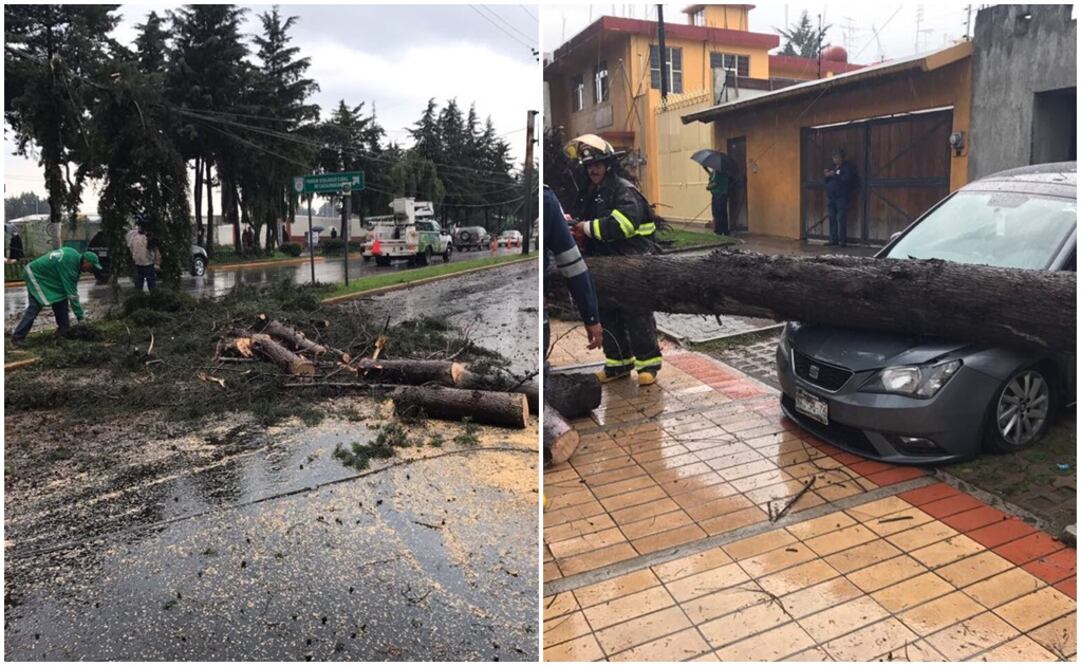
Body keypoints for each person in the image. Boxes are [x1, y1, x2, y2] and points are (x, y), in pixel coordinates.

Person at [564, 133, 663, 387]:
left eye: (596, 164)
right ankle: (617, 364)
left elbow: (623, 226)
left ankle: (648, 364)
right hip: (606, 265)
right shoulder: (594, 193)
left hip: (634, 263)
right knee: (608, 313)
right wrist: (570, 223)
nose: (592, 170)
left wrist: (584, 228)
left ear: (608, 164)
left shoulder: (623, 190)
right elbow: (583, 220)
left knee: (636, 313)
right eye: (588, 166)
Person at [543, 185, 602, 359]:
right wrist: (591, 316)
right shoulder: (547, 198)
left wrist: (590, 316)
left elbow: (572, 265)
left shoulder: (546, 199)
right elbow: (573, 265)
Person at [11, 248, 101, 346]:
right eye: (91, 267)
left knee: (61, 297)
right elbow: (72, 295)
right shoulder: (70, 267)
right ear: (85, 261)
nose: (91, 271)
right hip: (35, 274)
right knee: (35, 306)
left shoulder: (73, 254)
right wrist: (81, 318)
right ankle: (18, 337)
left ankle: (64, 331)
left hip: (48, 277)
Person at [824, 148, 858, 247]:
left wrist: (835, 175)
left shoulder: (847, 167)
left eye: (837, 157)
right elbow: (826, 181)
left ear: (842, 158)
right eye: (833, 158)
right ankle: (833, 239)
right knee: (832, 218)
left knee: (841, 218)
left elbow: (846, 179)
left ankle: (843, 241)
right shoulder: (833, 167)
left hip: (841, 196)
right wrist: (827, 176)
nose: (835, 160)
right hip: (831, 196)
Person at [129, 219, 157, 292]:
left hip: (142, 263)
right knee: (148, 282)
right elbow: (153, 250)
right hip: (144, 263)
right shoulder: (144, 238)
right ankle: (151, 295)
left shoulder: (136, 237)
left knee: (142, 282)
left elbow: (131, 248)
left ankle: (142, 296)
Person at [706, 167, 730, 236]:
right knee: (723, 213)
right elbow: (713, 177)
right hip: (723, 194)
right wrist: (706, 170)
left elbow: (715, 183)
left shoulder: (717, 172)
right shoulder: (723, 171)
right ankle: (725, 231)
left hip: (718, 194)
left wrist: (708, 187)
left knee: (717, 213)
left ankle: (718, 231)